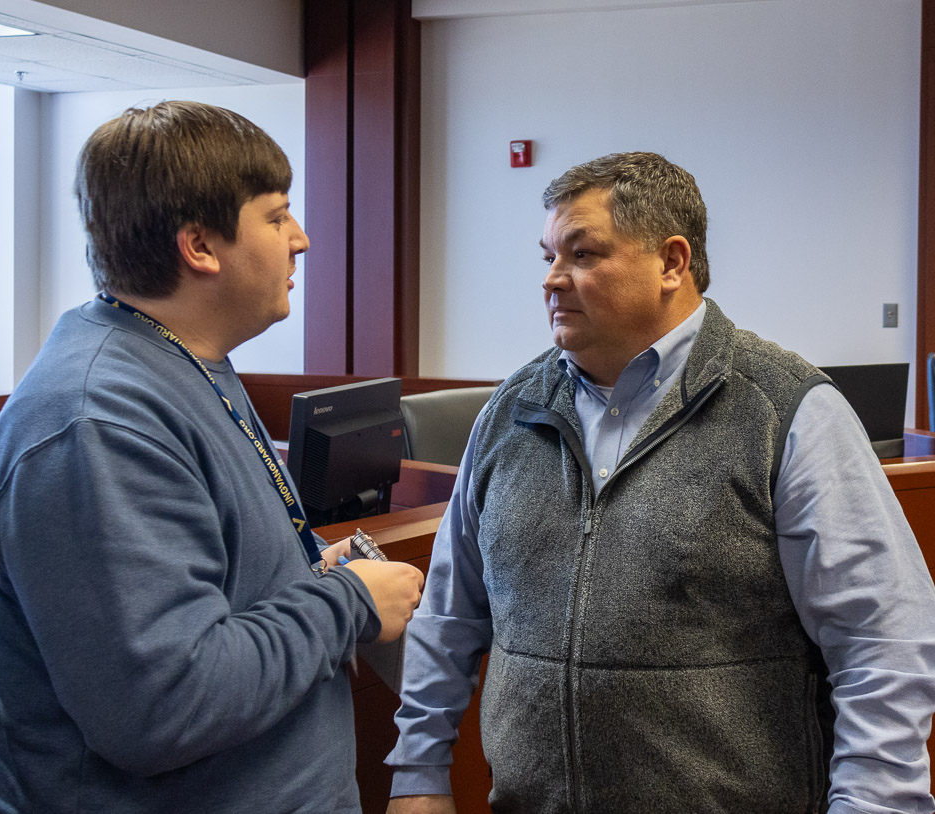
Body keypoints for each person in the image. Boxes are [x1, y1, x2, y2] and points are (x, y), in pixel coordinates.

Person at [385, 152, 935, 813]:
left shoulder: (785, 410)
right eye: (549, 257)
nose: (552, 279)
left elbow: (883, 643)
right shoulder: (511, 411)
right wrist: (417, 772)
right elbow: (449, 615)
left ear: (672, 262)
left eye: (583, 254)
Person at [0, 100, 424, 814]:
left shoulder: (187, 363)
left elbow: (217, 590)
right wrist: (348, 603)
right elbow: (163, 707)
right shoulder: (98, 422)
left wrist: (305, 572)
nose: (301, 239)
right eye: (276, 216)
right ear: (201, 246)